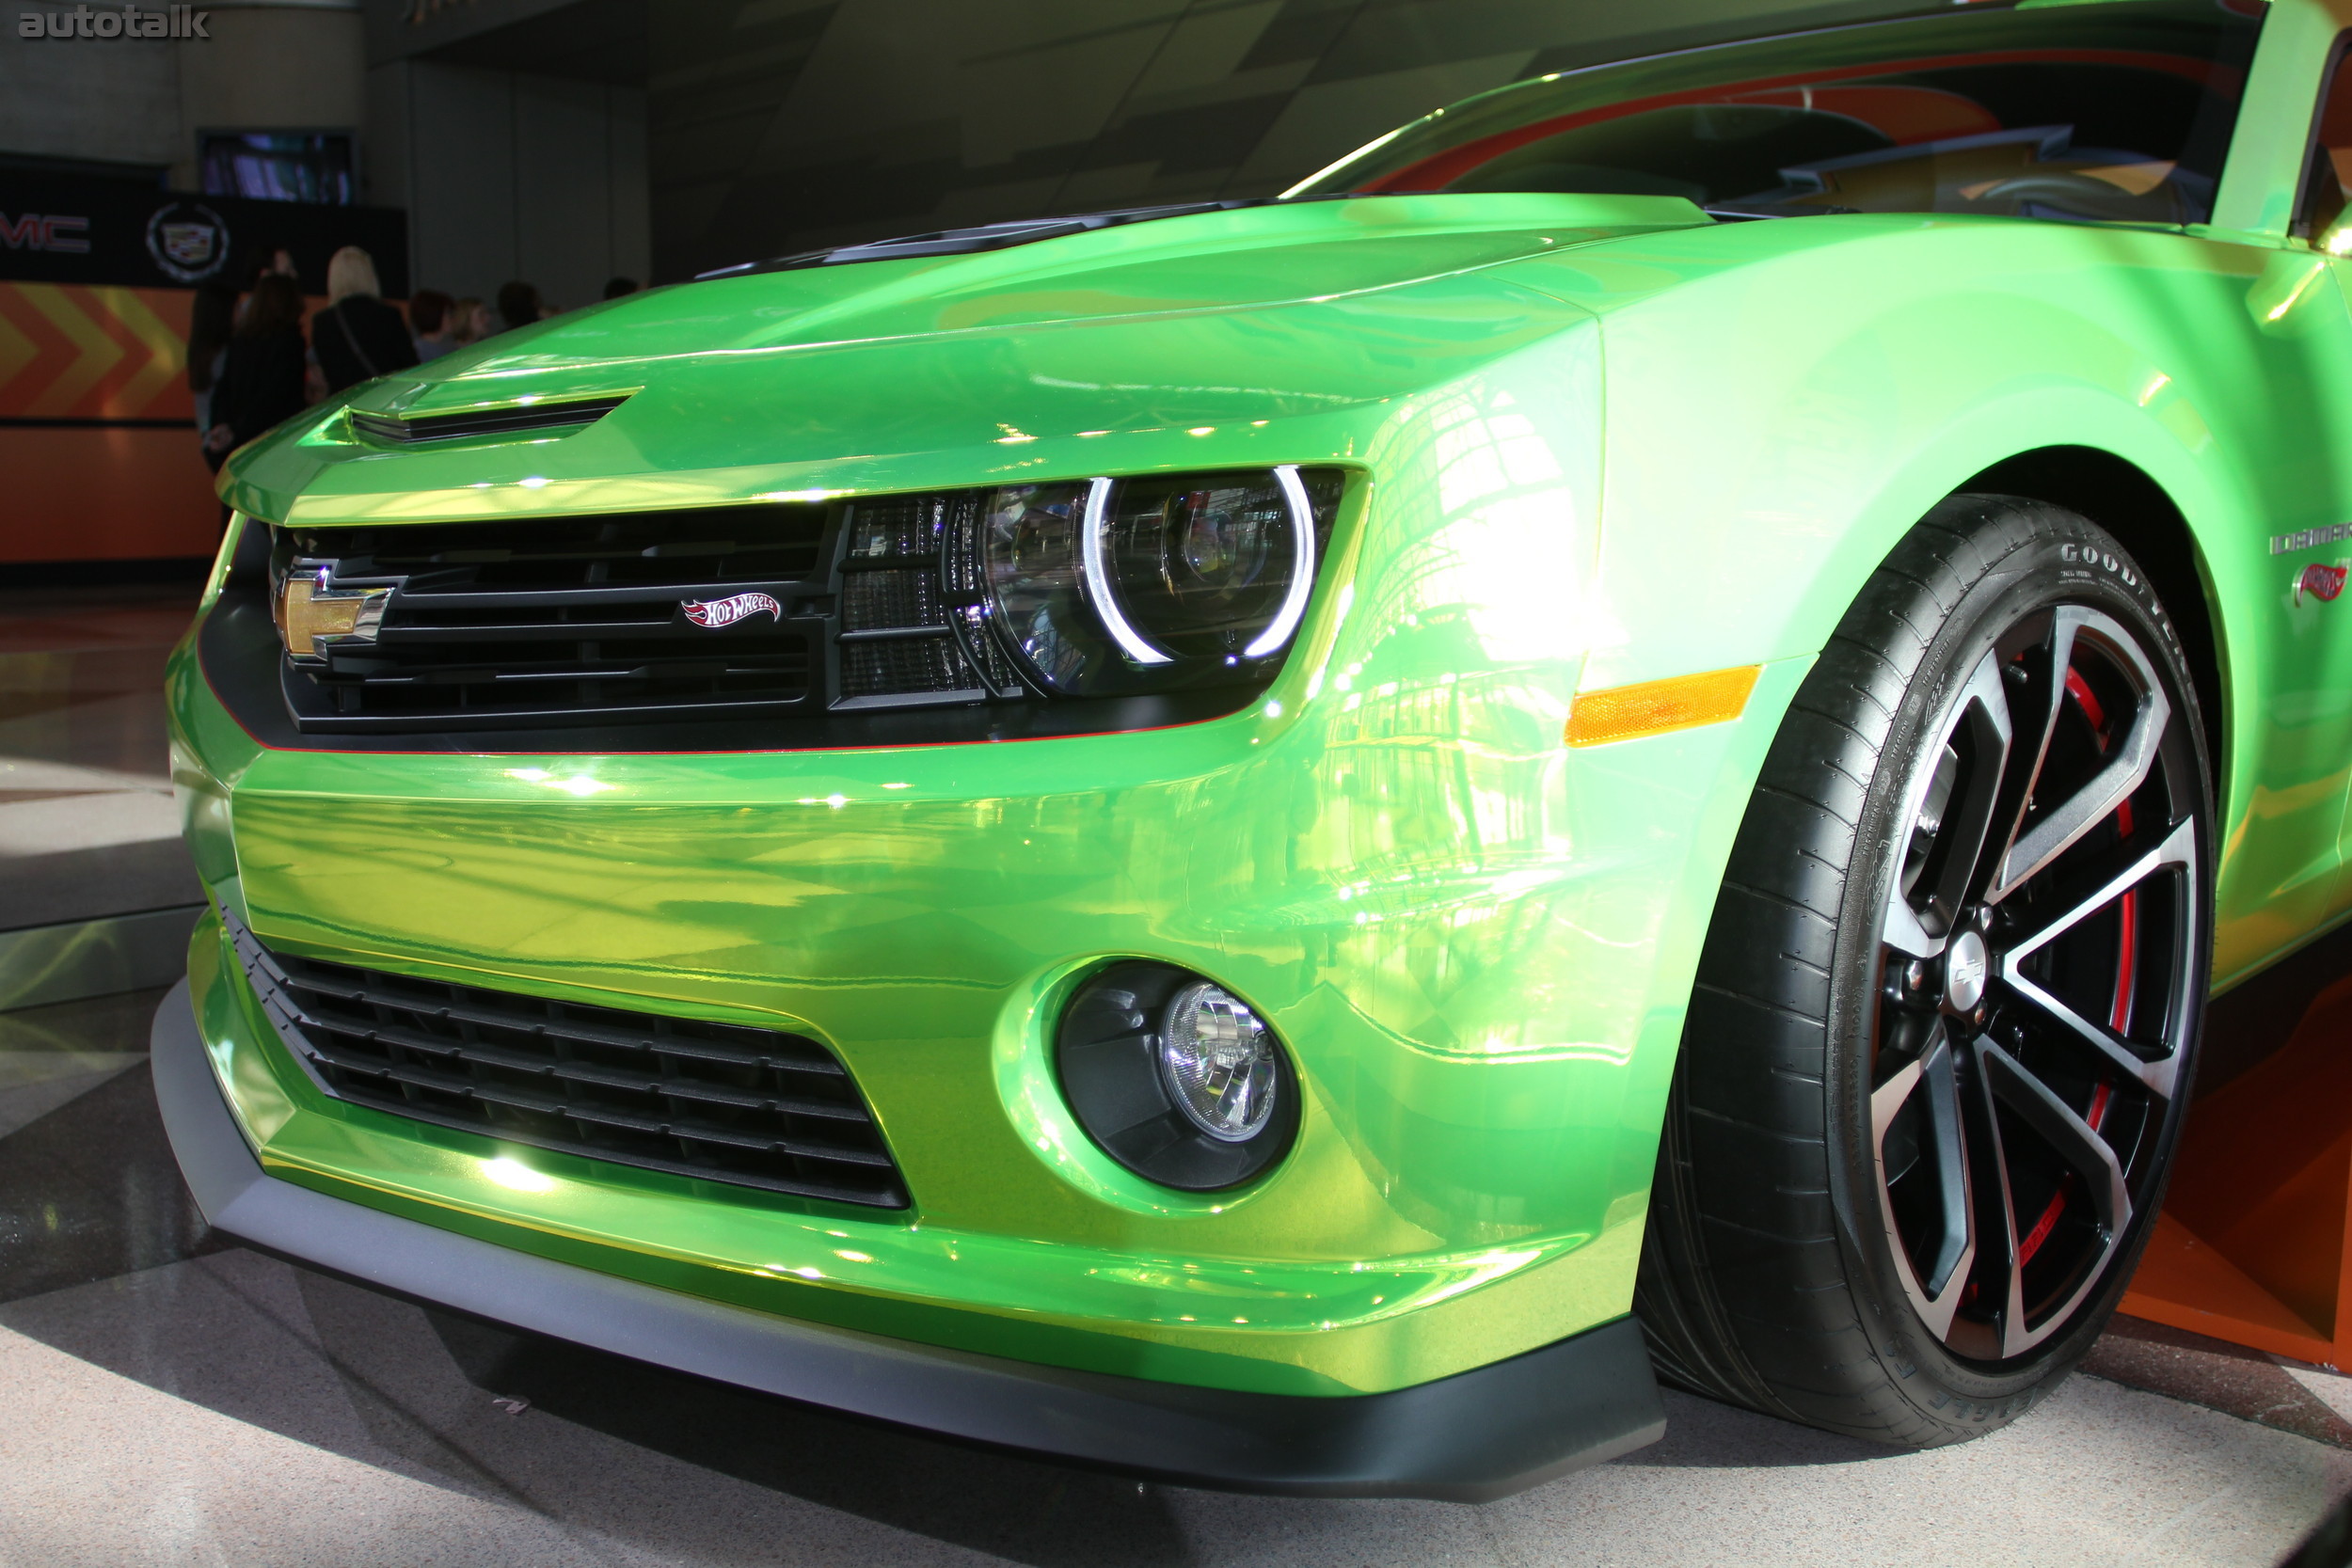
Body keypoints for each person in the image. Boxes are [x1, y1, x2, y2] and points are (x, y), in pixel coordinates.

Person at [206, 273, 309, 459]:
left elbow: (223, 389)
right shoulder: (290, 341)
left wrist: (227, 427)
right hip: (276, 440)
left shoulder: (240, 341)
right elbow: (279, 394)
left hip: (240, 441)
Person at [311, 246, 420, 394]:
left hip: (343, 401)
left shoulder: (323, 321)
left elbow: (329, 372)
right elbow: (409, 365)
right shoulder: (388, 315)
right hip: (383, 399)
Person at [186, 280, 237, 471]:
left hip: (210, 441)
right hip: (224, 440)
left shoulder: (200, 352)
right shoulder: (225, 354)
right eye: (236, 308)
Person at [408, 289, 455, 359]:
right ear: (436, 315)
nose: (452, 318)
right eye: (448, 313)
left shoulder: (440, 348)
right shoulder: (421, 351)